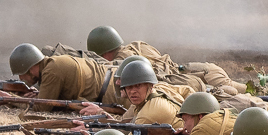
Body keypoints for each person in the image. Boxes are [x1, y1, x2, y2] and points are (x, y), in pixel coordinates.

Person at [86, 26, 243, 96]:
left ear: (104, 52)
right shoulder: (139, 45)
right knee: (244, 90)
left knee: (227, 95)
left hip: (189, 79)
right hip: (197, 69)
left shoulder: (125, 61)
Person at [2, 43, 121, 106]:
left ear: (31, 68)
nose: (21, 78)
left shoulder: (52, 70)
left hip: (113, 91)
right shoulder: (52, 65)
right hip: (112, 84)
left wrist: (12, 100)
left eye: (21, 74)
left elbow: (42, 106)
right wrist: (37, 95)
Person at [173, 91, 238, 135]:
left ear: (200, 117)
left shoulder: (205, 126)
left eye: (185, 120)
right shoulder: (221, 117)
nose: (184, 126)